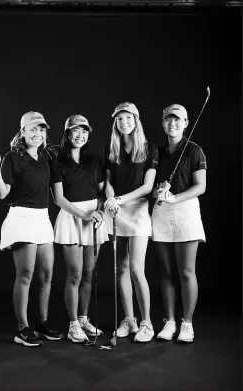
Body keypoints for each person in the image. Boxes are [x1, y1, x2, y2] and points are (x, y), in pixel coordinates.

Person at [0, 111, 64, 347]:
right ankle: (23, 329)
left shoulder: (47, 156)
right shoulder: (12, 157)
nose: (38, 134)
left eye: (41, 129)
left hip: (42, 218)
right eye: (33, 129)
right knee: (26, 273)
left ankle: (42, 324)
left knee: (47, 274)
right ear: (23, 132)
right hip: (21, 217)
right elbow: (1, 193)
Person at [103, 102, 158, 343]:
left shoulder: (149, 149)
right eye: (119, 118)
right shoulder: (110, 148)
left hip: (137, 209)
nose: (124, 122)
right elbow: (107, 182)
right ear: (115, 122)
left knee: (137, 269)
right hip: (116, 209)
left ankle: (147, 322)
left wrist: (119, 199)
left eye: (128, 118)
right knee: (121, 269)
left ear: (136, 120)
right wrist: (110, 200)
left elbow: (147, 187)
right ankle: (129, 319)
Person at [51, 114, 109, 343]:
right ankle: (72, 324)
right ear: (67, 133)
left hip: (93, 219)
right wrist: (84, 215)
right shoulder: (57, 162)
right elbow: (58, 198)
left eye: (84, 131)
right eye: (75, 130)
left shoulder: (94, 160)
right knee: (74, 274)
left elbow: (104, 192)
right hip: (71, 218)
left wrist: (101, 211)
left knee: (88, 274)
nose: (80, 135)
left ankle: (83, 319)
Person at [152, 103, 207, 343]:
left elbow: (200, 186)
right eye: (168, 120)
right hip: (162, 213)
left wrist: (175, 197)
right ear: (163, 123)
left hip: (185, 211)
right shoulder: (157, 152)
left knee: (186, 271)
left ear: (185, 123)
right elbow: (151, 187)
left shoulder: (195, 150)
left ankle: (187, 323)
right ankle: (170, 321)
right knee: (165, 271)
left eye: (177, 120)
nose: (172, 124)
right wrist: (158, 192)